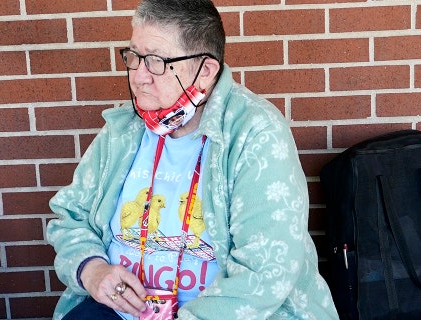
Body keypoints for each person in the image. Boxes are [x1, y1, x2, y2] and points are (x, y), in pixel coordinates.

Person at [46, 0, 339, 319]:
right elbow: (71, 214)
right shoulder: (126, 128)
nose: (139, 76)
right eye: (133, 57)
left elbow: (266, 272)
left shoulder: (255, 132)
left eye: (156, 61)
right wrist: (91, 269)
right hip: (120, 311)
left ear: (205, 71)